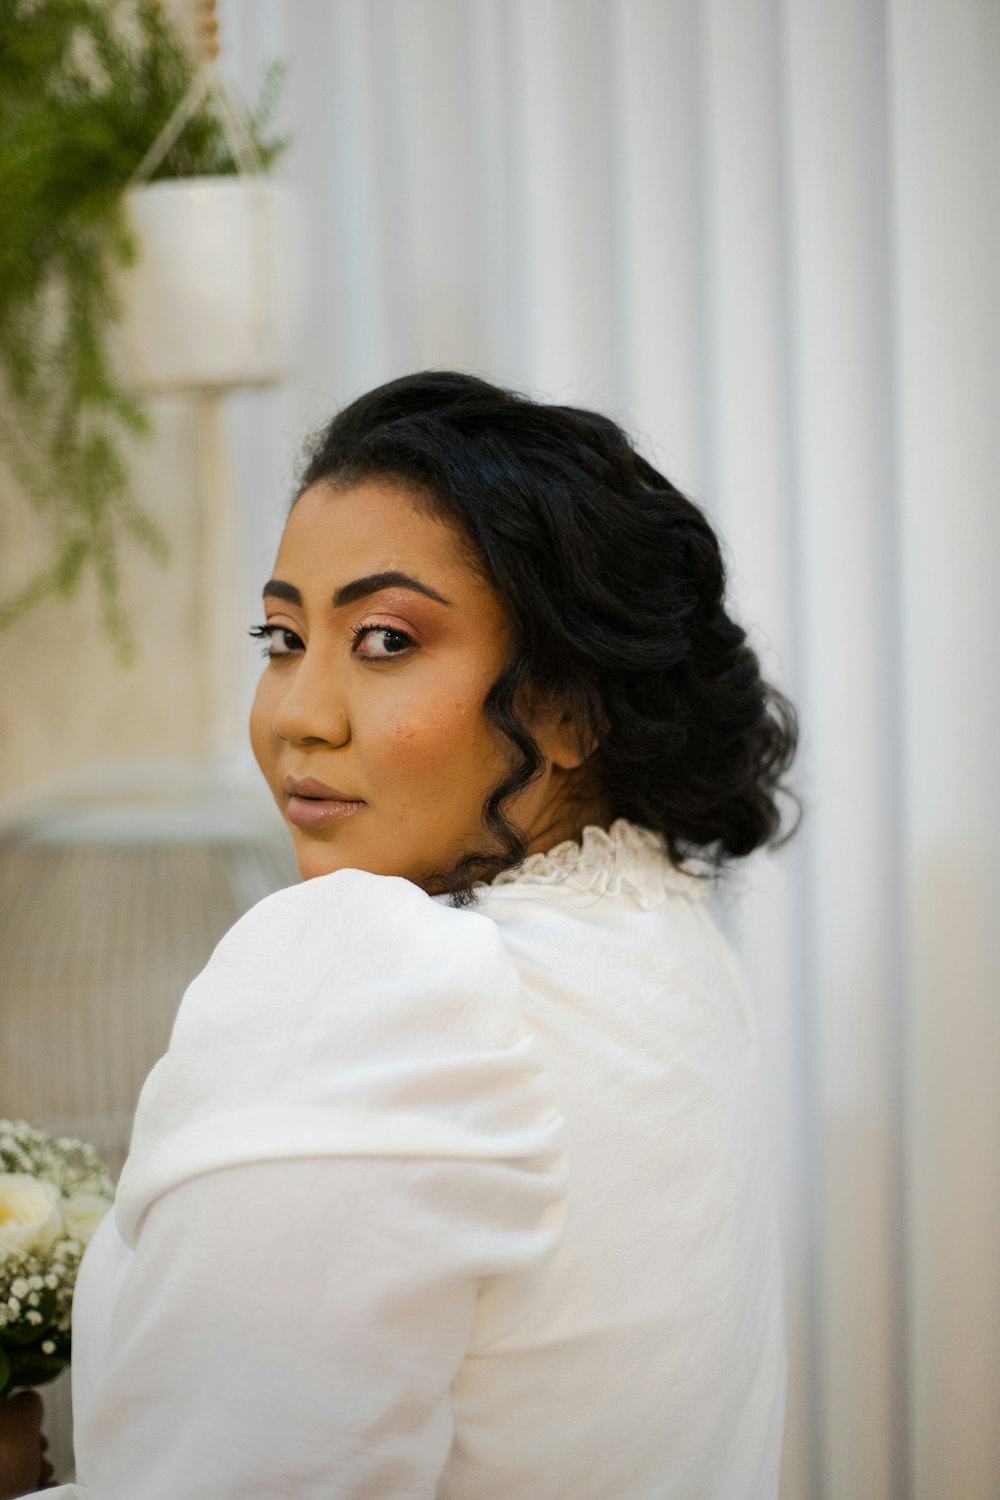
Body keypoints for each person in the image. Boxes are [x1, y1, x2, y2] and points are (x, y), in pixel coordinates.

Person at [10, 370, 798, 1499]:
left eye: (383, 639)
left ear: (570, 704)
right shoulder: (672, 947)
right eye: (281, 637)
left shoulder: (368, 977)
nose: (295, 714)